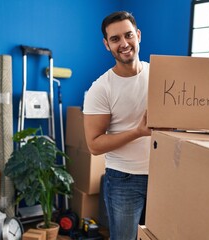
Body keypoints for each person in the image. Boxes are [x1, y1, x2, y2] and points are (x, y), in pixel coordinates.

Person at [83, 11, 151, 240]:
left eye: (128, 35)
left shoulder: (160, 76)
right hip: (125, 179)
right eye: (115, 39)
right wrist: (138, 132)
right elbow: (94, 145)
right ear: (106, 44)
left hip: (164, 175)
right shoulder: (101, 88)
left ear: (138, 35)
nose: (124, 44)